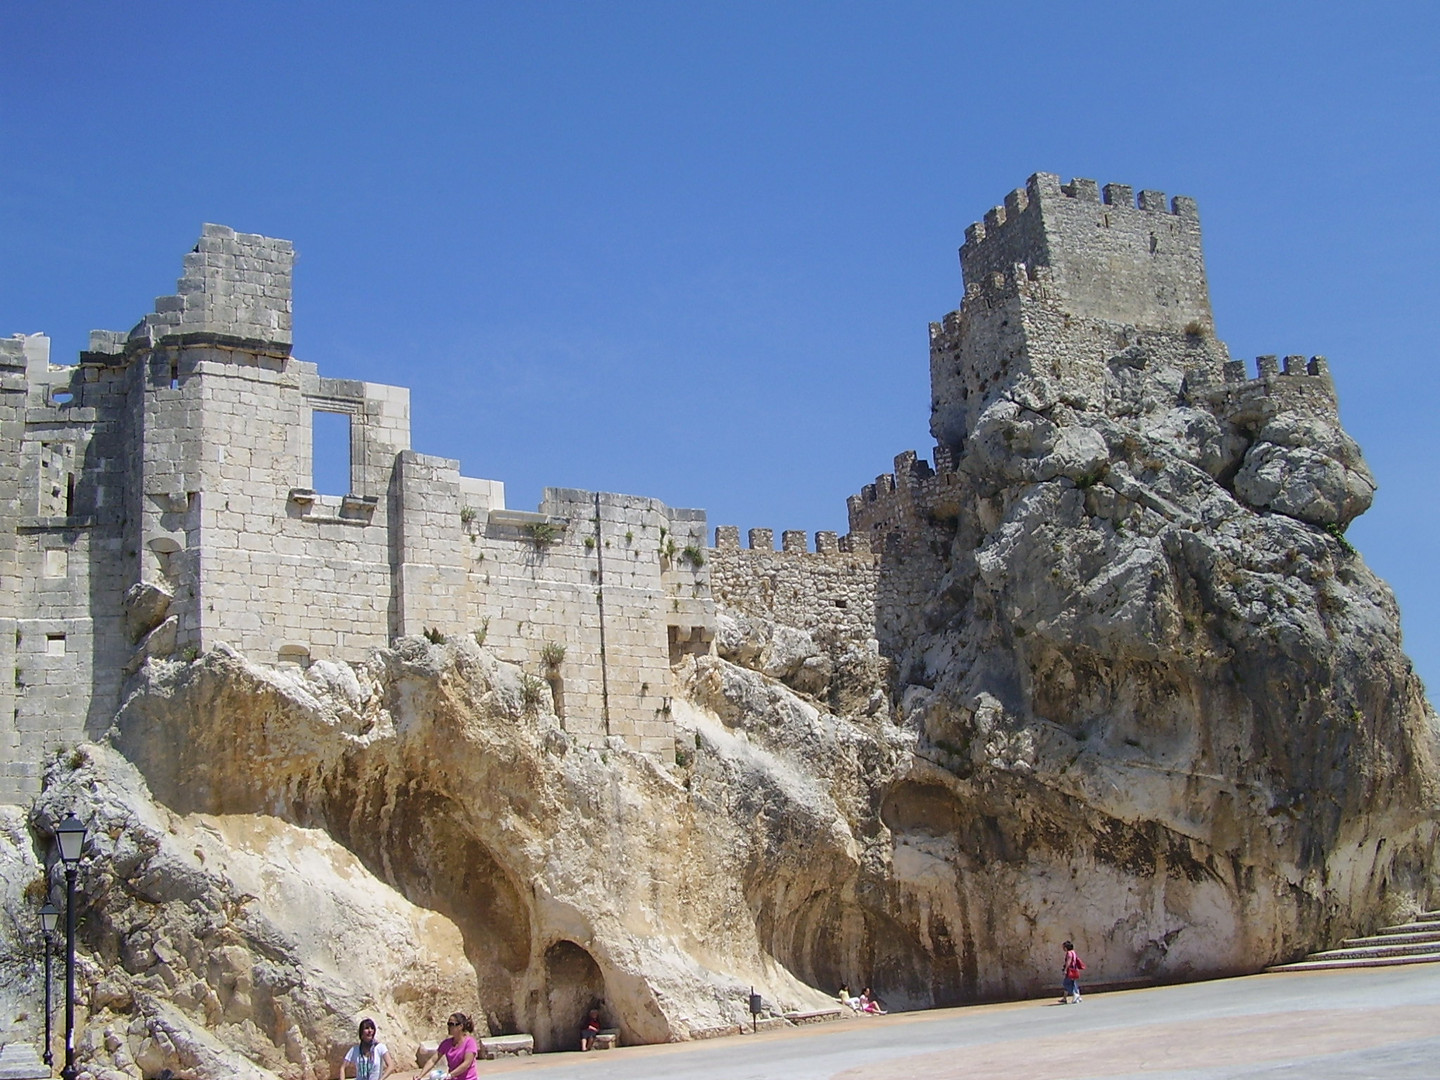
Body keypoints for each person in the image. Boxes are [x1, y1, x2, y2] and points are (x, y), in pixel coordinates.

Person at [415, 1013, 478, 1080]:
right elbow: (433, 1060)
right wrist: (420, 1076)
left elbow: (467, 1063)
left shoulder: (470, 1042)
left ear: (460, 1026)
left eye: (451, 1024)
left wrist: (450, 1075)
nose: (449, 1027)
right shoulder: (446, 1043)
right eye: (448, 1024)